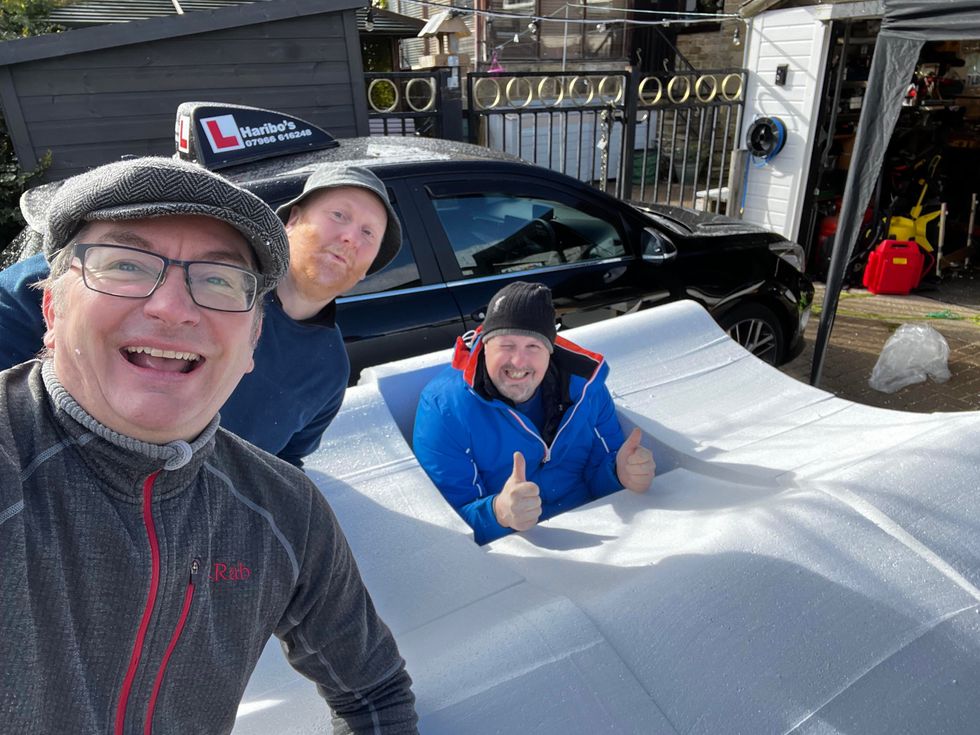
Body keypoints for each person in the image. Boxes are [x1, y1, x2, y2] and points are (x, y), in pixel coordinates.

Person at [0, 157, 417, 734]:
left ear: (253, 342)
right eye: (125, 265)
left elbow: (377, 695)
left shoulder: (284, 511)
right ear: (51, 307)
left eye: (219, 280)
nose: (172, 308)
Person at [0, 163, 401, 467]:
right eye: (339, 216)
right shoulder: (111, 274)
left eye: (369, 234)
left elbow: (286, 461)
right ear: (292, 220)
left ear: (254, 335)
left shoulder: (330, 370)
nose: (349, 237)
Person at [413, 281, 656, 545]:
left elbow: (600, 468)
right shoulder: (444, 409)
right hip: (514, 550)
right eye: (506, 345)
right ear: (484, 345)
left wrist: (620, 473)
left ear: (550, 351)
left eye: (533, 346)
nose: (519, 362)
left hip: (602, 532)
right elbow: (448, 525)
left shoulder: (586, 387)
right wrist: (499, 513)